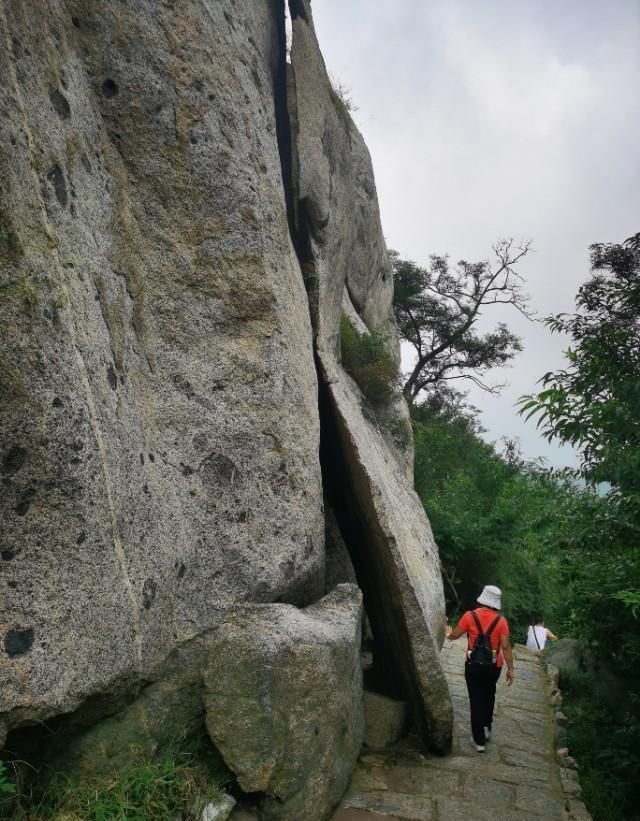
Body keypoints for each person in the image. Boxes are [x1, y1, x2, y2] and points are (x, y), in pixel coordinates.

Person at [445, 584, 514, 752]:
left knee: (476, 699)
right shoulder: (501, 621)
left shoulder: (470, 616)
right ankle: (487, 727)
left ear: (483, 598)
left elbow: (456, 635)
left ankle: (479, 740)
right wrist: (510, 668)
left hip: (473, 664)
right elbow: (505, 647)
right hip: (493, 666)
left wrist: (448, 635)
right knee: (489, 694)